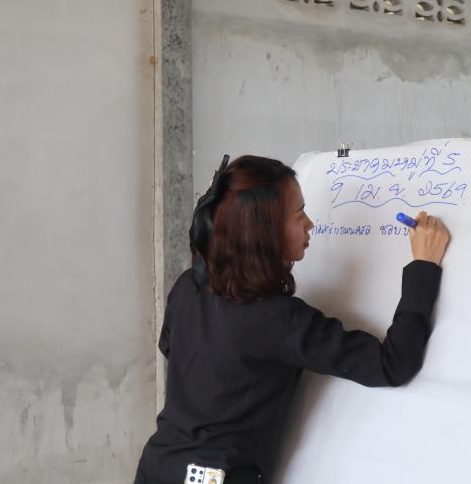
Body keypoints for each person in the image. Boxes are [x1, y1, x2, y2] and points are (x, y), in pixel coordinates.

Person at [134, 155, 450, 484]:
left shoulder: (189, 286)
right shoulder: (278, 320)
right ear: (264, 233)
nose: (310, 224)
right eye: (299, 215)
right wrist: (424, 266)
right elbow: (392, 364)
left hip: (155, 465)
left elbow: (171, 347)